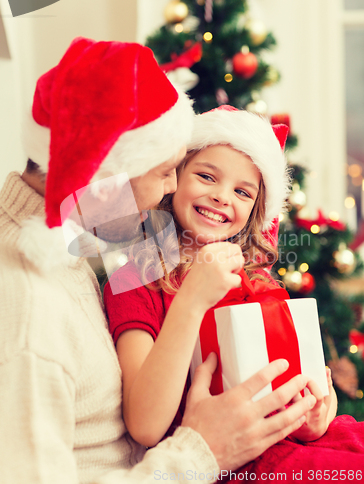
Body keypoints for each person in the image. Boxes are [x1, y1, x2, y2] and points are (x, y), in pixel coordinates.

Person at [0, 38, 314, 484]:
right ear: (106, 174)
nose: (170, 189)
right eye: (168, 171)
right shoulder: (29, 314)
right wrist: (202, 451)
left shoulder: (69, 255)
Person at [104, 106, 364, 482]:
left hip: (288, 445)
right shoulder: (134, 281)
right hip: (221, 461)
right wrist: (192, 298)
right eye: (207, 176)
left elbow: (299, 386)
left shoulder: (257, 280)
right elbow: (145, 425)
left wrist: (314, 415)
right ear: (173, 177)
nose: (222, 197)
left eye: (243, 191)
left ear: (255, 211)